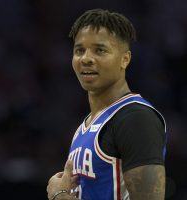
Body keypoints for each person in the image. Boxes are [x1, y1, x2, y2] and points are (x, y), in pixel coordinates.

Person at [46, 9, 167, 200]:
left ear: (124, 59)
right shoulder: (85, 127)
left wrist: (59, 196)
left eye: (100, 50)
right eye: (79, 50)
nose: (86, 58)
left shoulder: (135, 118)